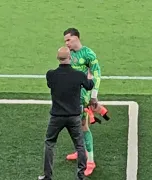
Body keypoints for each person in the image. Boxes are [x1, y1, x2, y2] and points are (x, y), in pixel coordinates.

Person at [38, 47, 94, 180]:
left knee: (49, 143)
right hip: (74, 116)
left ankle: (47, 176)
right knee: (80, 145)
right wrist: (89, 75)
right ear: (70, 57)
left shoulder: (51, 74)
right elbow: (89, 85)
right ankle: (81, 176)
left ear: (58, 58)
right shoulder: (79, 75)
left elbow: (51, 85)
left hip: (56, 116)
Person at [63, 28, 104, 176]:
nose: (66, 43)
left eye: (68, 40)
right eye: (65, 41)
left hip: (83, 97)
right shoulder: (69, 54)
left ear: (76, 38)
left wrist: (93, 96)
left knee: (84, 127)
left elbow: (97, 75)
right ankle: (81, 151)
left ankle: (90, 160)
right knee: (74, 125)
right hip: (70, 96)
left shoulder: (88, 54)